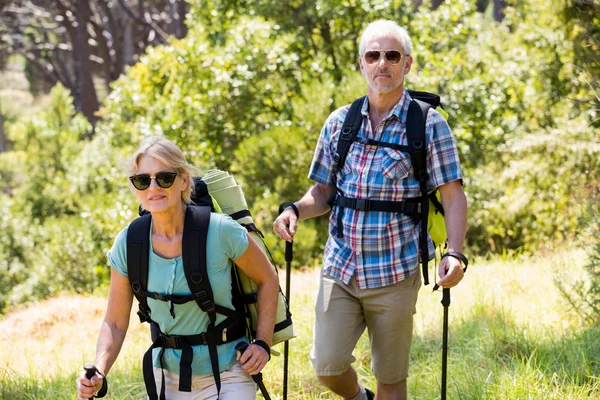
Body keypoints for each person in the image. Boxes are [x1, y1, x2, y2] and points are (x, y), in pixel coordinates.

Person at [273, 20, 468, 400]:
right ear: (361, 64)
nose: (382, 63)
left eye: (392, 56)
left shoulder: (428, 125)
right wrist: (294, 210)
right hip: (340, 268)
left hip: (395, 270)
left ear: (407, 64)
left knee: (391, 380)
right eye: (373, 55)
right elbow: (323, 191)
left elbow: (453, 194)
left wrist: (456, 253)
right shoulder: (339, 122)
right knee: (326, 364)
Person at [76, 136, 279, 400]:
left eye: (164, 178)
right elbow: (114, 322)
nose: (153, 187)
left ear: (184, 180)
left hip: (230, 370)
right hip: (167, 378)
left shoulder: (220, 231)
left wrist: (262, 343)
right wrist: (99, 371)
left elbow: (268, 279)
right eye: (142, 180)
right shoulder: (129, 243)